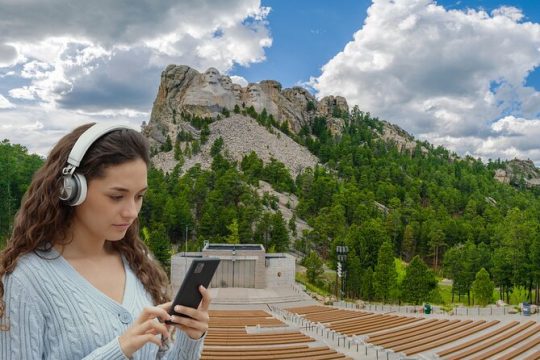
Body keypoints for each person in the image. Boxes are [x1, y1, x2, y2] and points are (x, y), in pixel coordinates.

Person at [0, 123, 210, 359]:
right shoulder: (25, 280)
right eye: (116, 196)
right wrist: (119, 350)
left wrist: (190, 338)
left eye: (139, 196)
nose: (131, 212)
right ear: (70, 190)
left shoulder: (138, 262)